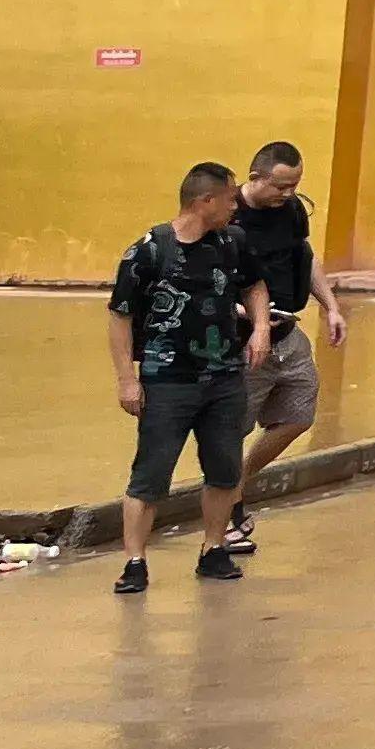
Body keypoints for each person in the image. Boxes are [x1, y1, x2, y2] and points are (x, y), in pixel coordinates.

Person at [105, 161, 272, 593]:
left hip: (224, 378)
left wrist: (260, 328)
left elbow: (254, 286)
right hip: (167, 380)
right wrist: (127, 378)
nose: (236, 207)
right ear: (206, 201)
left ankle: (213, 549)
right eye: (230, 198)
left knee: (224, 467)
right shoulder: (149, 250)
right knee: (150, 474)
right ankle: (135, 562)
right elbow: (120, 316)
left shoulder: (232, 243)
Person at [226, 139, 348, 554]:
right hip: (240, 340)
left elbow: (305, 257)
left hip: (286, 332)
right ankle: (226, 514)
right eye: (280, 186)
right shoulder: (228, 215)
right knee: (230, 428)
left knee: (299, 413)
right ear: (255, 176)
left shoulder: (292, 212)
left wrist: (330, 306)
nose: (288, 194)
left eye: (295, 185)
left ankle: (236, 484)